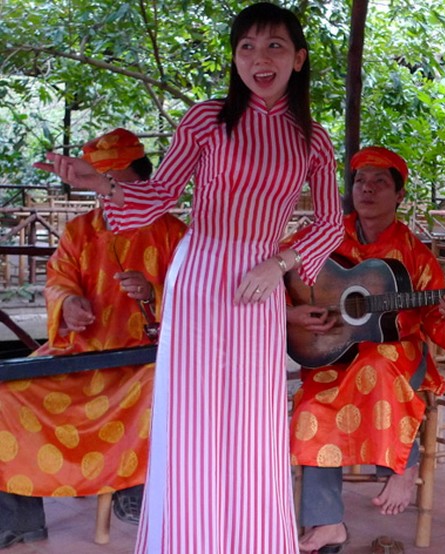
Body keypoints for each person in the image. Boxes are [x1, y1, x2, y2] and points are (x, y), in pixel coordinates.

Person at [33, 3, 343, 553]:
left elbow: (329, 223)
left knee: (252, 417)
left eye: (273, 46)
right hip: (199, 276)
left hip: (261, 284)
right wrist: (98, 184)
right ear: (235, 58)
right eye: (245, 46)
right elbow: (155, 197)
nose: (258, 58)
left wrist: (281, 263)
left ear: (298, 59)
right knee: (193, 416)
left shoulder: (313, 139)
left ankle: (252, 541)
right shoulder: (205, 118)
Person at [0, 128, 186, 548]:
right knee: (6, 392)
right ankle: (20, 518)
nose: (110, 191)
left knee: (162, 390)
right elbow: (58, 280)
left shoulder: (174, 233)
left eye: (118, 181)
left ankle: (135, 490)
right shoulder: (80, 231)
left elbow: (196, 297)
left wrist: (154, 293)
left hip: (143, 363)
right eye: (102, 181)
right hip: (81, 357)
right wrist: (67, 304)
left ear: (145, 182)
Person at [285, 146, 445, 554]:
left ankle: (400, 467)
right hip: (333, 353)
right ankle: (327, 523)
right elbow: (276, 276)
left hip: (400, 359)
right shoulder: (321, 237)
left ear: (400, 195)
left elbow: (434, 321)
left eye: (380, 183)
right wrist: (293, 313)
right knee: (311, 408)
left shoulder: (415, 255)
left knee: (379, 360)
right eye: (359, 182)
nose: (366, 190)